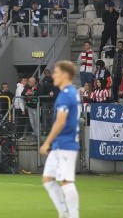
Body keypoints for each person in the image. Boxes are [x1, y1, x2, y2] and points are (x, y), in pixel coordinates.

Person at [40, 60, 82, 218]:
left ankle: (73, 215)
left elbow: (61, 121)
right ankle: (63, 213)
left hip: (65, 144)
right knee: (48, 179)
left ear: (65, 75)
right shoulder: (73, 93)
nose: (54, 76)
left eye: (56, 73)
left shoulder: (66, 95)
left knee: (66, 181)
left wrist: (47, 141)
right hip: (61, 144)